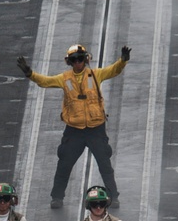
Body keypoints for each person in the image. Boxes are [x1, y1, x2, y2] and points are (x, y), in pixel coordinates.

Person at [17, 42, 131, 209]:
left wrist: (123, 60)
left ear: (85, 60)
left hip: (96, 129)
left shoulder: (95, 75)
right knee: (64, 164)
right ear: (69, 62)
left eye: (80, 59)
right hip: (74, 130)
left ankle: (113, 197)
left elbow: (113, 70)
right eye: (74, 60)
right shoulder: (64, 79)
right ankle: (57, 198)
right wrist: (29, 73)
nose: (78, 63)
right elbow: (45, 82)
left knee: (105, 165)